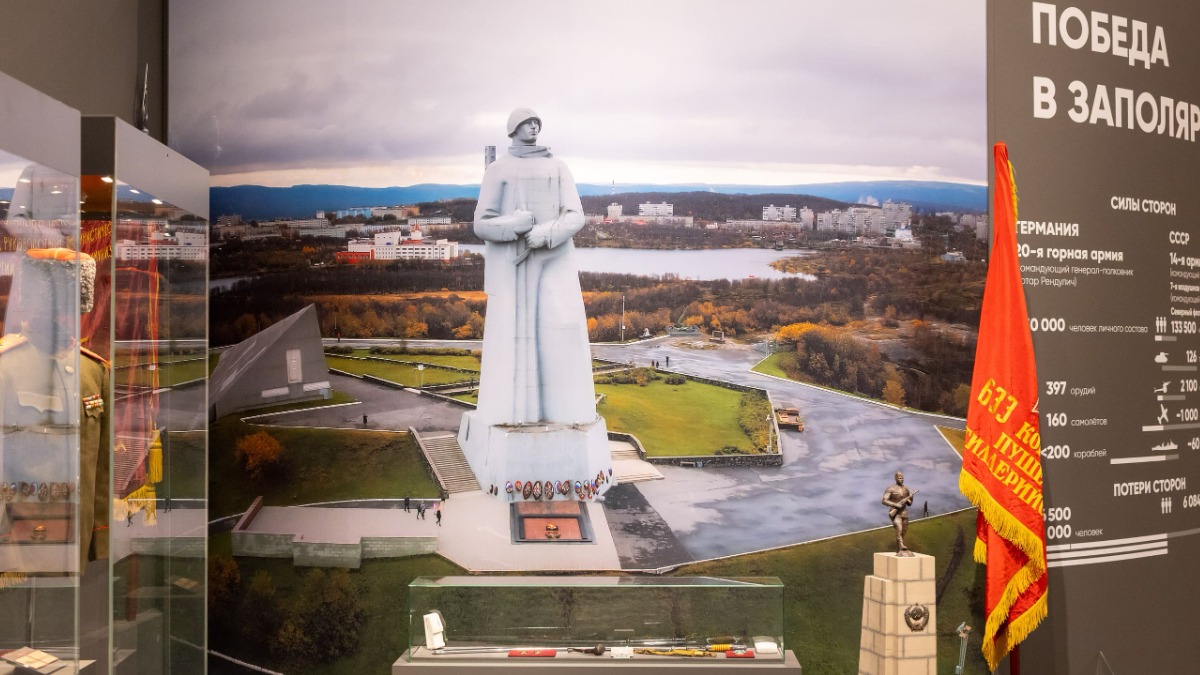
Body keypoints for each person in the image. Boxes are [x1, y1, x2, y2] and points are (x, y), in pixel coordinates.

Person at [470, 108, 596, 428]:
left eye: (537, 123)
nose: (534, 127)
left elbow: (575, 215)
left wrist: (546, 233)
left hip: (554, 257)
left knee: (564, 327)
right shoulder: (498, 170)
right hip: (512, 265)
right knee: (512, 337)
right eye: (528, 122)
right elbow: (481, 225)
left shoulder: (558, 167)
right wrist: (511, 225)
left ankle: (569, 412)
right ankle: (512, 414)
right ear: (514, 128)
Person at [881, 471, 918, 555]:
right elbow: (884, 500)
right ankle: (901, 545)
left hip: (904, 513)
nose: (901, 479)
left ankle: (900, 547)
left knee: (904, 530)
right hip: (895, 513)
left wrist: (911, 498)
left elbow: (909, 504)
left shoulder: (906, 489)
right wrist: (895, 505)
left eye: (902, 478)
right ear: (895, 478)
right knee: (899, 528)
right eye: (899, 478)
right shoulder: (890, 489)